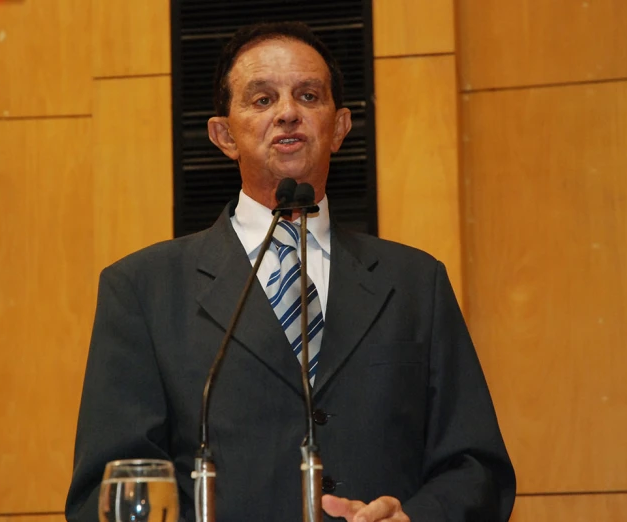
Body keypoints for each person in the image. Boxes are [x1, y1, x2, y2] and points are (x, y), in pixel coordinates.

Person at [66, 21, 516, 522]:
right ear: (223, 135)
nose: (287, 113)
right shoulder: (143, 290)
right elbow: (109, 489)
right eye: (261, 100)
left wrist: (413, 518)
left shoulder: (415, 283)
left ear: (340, 127)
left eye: (307, 95)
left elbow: (478, 469)